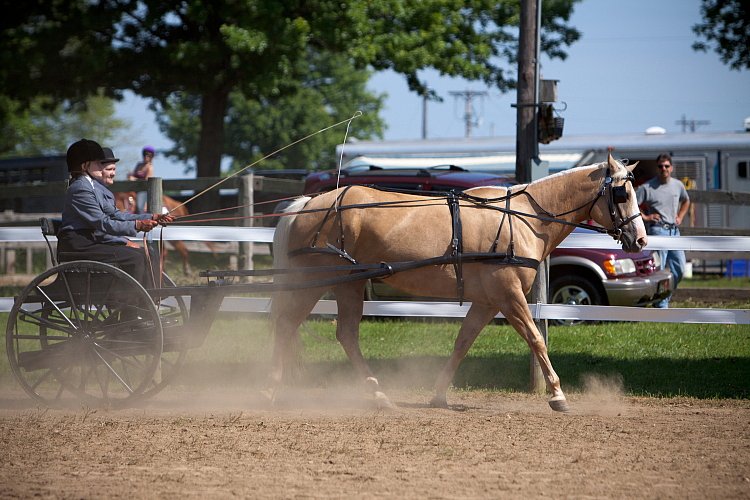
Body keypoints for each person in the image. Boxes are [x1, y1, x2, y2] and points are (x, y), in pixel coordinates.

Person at [58, 139, 173, 287]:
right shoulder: (80, 188)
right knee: (134, 257)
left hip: (89, 240)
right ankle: (133, 304)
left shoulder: (91, 186)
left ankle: (151, 297)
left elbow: (117, 215)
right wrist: (137, 225)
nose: (102, 165)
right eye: (98, 163)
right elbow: (102, 222)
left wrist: (152, 216)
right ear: (84, 166)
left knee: (144, 254)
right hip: (80, 244)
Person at [636, 153, 691, 308]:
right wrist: (646, 218)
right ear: (657, 168)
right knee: (659, 270)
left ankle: (663, 297)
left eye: (666, 166)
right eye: (660, 166)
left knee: (679, 268)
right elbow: (633, 206)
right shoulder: (647, 187)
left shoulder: (678, 185)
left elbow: (686, 201)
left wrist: (680, 216)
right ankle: (661, 304)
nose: (664, 169)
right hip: (657, 231)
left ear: (671, 168)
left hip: (674, 232)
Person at [128, 145, 156, 213]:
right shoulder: (139, 165)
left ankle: (141, 219)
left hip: (143, 189)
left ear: (152, 156)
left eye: (149, 155)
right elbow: (133, 174)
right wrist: (130, 176)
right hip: (134, 188)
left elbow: (147, 180)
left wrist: (134, 179)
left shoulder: (150, 167)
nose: (146, 156)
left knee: (140, 207)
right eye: (145, 154)